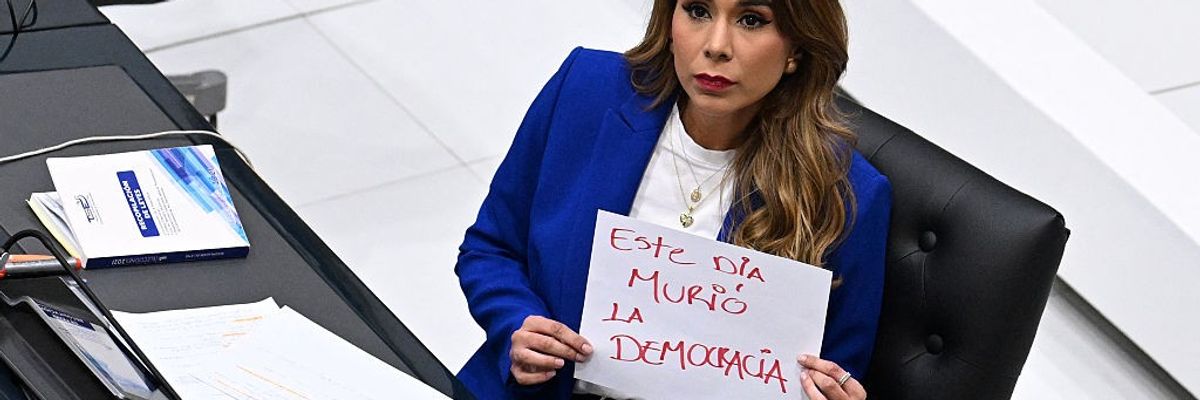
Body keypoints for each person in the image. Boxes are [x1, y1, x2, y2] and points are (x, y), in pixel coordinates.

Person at [455, 0, 890, 399]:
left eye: (751, 20)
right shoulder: (585, 88)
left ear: (796, 48)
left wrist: (831, 390)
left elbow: (837, 367)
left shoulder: (847, 192)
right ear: (668, 22)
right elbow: (491, 247)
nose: (716, 46)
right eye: (697, 10)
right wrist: (517, 323)